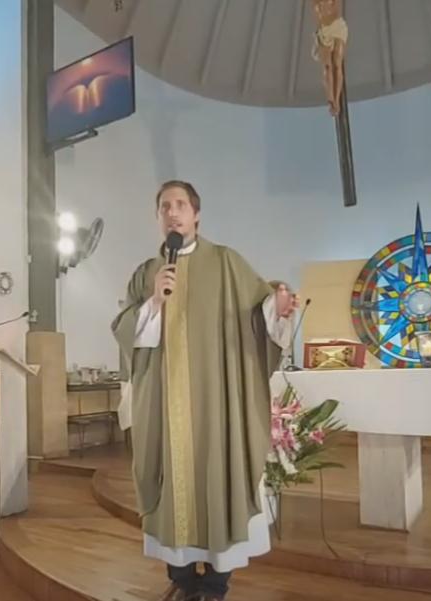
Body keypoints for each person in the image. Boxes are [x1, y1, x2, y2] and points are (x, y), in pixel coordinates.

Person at [112, 180, 300, 601]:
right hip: (164, 406)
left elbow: (260, 311)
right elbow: (126, 331)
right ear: (158, 217)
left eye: (180, 205)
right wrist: (154, 303)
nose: (172, 213)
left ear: (196, 214)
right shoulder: (147, 273)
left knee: (220, 478)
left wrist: (276, 308)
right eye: (164, 206)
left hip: (219, 405)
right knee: (169, 488)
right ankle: (182, 582)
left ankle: (214, 587)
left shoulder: (226, 263)